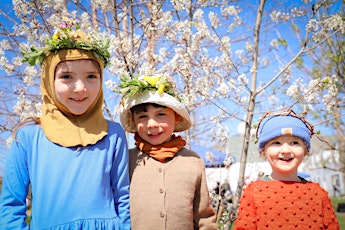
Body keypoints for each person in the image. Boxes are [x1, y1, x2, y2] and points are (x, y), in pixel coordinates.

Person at [0, 19, 131, 229]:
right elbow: (11, 206)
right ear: (49, 82)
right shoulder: (28, 138)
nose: (80, 88)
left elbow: (123, 197)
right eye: (66, 76)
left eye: (91, 76)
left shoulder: (113, 134)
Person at [118, 75, 217, 229]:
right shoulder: (126, 160)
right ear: (133, 121)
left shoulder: (192, 162)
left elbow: (203, 217)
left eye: (161, 114)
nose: (151, 124)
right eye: (142, 117)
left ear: (176, 117)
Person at [234, 110, 339, 229]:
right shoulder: (253, 192)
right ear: (263, 151)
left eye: (294, 143)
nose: (286, 150)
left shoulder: (318, 193)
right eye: (276, 143)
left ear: (305, 150)